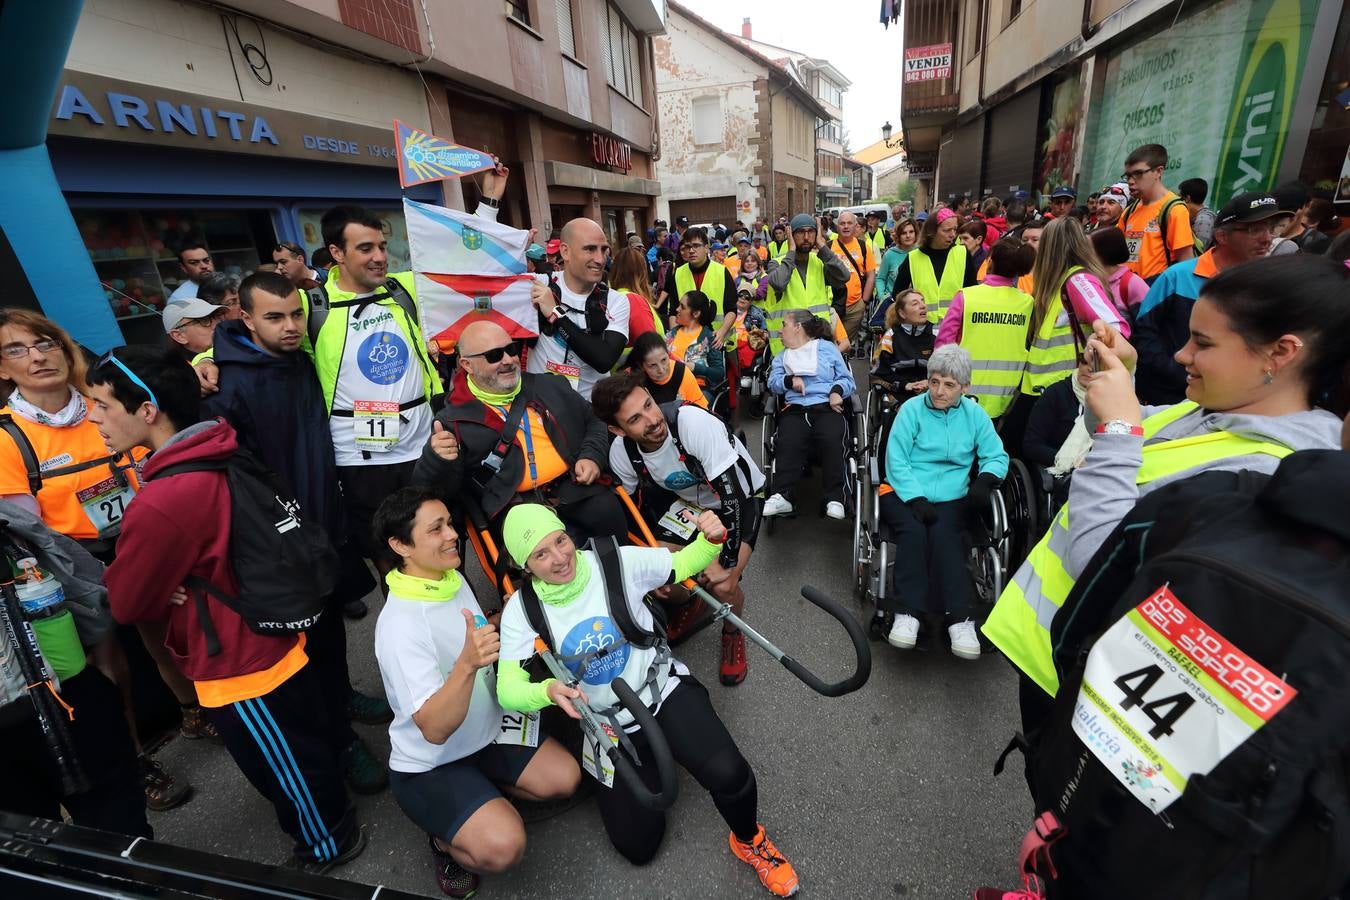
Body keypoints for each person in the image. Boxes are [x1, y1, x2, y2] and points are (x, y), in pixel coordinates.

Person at [984, 253, 1350, 722]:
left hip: (1093, 687)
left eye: (1202, 342)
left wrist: (1119, 426)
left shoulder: (1268, 471)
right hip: (1054, 653)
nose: (1181, 355)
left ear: (1280, 352)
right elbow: (1120, 435)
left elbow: (1102, 561)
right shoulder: (1202, 411)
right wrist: (1121, 379)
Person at [91, 345, 365, 873]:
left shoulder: (165, 497)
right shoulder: (217, 445)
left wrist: (167, 580)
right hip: (275, 628)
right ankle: (328, 808)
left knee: (282, 765)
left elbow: (125, 600)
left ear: (146, 409)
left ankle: (328, 843)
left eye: (103, 405)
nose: (96, 419)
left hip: (239, 660)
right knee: (301, 745)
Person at [494, 504, 800, 896]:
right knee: (638, 846)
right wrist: (546, 691)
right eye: (541, 554)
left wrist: (710, 538)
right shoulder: (522, 610)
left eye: (560, 540)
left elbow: (685, 562)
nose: (559, 558)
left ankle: (749, 841)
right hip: (606, 722)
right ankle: (642, 762)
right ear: (525, 566)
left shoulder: (614, 560)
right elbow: (508, 689)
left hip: (659, 691)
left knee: (730, 774)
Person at [0, 309, 201, 812]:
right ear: (2, 368)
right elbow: (27, 535)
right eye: (17, 349)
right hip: (71, 568)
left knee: (168, 638)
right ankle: (132, 759)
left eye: (45, 342)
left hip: (140, 538)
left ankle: (195, 712)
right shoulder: (7, 436)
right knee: (107, 668)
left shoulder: (100, 402)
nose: (38, 356)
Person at [200, 272, 390, 794]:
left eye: (294, 314)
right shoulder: (230, 385)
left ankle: (343, 698)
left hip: (325, 523)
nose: (289, 327)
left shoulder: (300, 358)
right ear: (245, 318)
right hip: (282, 540)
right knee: (299, 651)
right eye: (274, 317)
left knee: (329, 633)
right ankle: (337, 742)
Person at [372, 487, 581, 898]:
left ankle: (483, 794)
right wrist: (468, 663)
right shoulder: (399, 628)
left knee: (565, 778)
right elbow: (433, 729)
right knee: (505, 846)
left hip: (486, 727)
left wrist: (507, 618)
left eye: (450, 523)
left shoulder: (447, 578)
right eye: (437, 529)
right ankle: (444, 843)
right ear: (400, 545)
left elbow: (475, 634)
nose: (453, 535)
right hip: (433, 761)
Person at [593, 374, 767, 685]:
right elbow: (633, 513)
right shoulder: (622, 452)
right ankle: (690, 600)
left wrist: (725, 562)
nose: (652, 420)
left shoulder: (691, 423)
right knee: (663, 578)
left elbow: (735, 498)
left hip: (741, 499)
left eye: (649, 404)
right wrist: (649, 560)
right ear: (618, 430)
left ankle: (731, 629)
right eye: (635, 419)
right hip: (690, 508)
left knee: (723, 585)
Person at [0, 503, 151, 840]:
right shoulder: (11, 520)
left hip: (63, 695)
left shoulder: (11, 521)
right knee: (117, 834)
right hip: (63, 696)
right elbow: (83, 580)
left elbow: (80, 576)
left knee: (33, 853)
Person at [415, 321, 625, 543]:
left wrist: (591, 456)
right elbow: (436, 492)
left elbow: (594, 420)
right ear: (467, 364)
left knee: (608, 514)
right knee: (549, 547)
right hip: (514, 505)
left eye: (511, 350)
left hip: (574, 487)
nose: (507, 360)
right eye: (494, 355)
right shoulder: (451, 420)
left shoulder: (550, 385)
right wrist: (435, 460)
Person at [878, 345, 1008, 656]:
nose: (939, 391)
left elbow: (996, 455)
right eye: (935, 381)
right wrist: (916, 497)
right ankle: (907, 614)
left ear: (965, 387)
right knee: (914, 534)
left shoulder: (975, 415)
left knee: (948, 537)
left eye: (949, 385)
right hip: (904, 491)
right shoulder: (911, 410)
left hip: (953, 496)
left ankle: (959, 619)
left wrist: (985, 480)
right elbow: (896, 460)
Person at [1130, 190, 1282, 406]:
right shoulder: (1177, 276)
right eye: (1254, 229)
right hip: (1167, 401)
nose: (1267, 238)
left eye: (1271, 228)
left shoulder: (1269, 286)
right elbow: (1144, 332)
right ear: (1222, 236)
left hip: (1231, 403)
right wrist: (1175, 373)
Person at [1002, 217, 1127, 457]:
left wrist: (1093, 356)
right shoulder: (1060, 282)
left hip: (1062, 387)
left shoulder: (1077, 280)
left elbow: (1116, 329)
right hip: (1041, 388)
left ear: (1051, 247)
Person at [763, 309, 856, 519]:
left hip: (826, 406)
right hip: (795, 409)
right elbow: (773, 383)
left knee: (833, 439)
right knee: (788, 441)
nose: (780, 330)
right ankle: (782, 495)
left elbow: (847, 379)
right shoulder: (782, 357)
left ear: (798, 328)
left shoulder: (826, 349)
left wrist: (836, 392)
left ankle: (836, 498)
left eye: (784, 325)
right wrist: (789, 381)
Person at [527, 219, 632, 401]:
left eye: (603, 249)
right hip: (542, 407)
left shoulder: (616, 301)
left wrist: (555, 313)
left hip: (592, 410)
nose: (600, 259)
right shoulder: (539, 285)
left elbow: (603, 359)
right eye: (590, 249)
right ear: (565, 252)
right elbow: (482, 277)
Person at [936, 237, 1037, 420]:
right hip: (1007, 398)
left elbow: (943, 344)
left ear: (990, 261)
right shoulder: (1027, 302)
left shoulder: (966, 296)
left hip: (963, 395)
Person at [761, 214, 850, 354]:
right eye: (801, 232)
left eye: (811, 232)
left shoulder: (820, 261)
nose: (807, 237)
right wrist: (791, 251)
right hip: (787, 348)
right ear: (790, 235)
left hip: (818, 344)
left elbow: (844, 276)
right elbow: (779, 283)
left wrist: (822, 246)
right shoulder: (776, 263)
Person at [888, 209, 979, 327]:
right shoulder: (913, 258)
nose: (952, 234)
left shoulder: (962, 253)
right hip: (922, 331)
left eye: (955, 229)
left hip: (955, 329)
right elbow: (899, 295)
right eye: (946, 230)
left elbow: (971, 292)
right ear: (932, 231)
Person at [1119, 143, 1194, 281]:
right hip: (1127, 294)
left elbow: (1186, 265)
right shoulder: (1129, 211)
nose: (1130, 181)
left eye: (1138, 174)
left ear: (1159, 171)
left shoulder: (1175, 210)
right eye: (1128, 176)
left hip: (1156, 294)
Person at [657, 227, 736, 329]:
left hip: (718, 340)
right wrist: (675, 338)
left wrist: (721, 333)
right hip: (687, 340)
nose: (691, 251)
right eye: (688, 247)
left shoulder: (722, 272)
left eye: (696, 246)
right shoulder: (678, 273)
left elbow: (732, 309)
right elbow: (673, 312)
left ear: (706, 248)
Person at [871, 289, 934, 408]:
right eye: (915, 304)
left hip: (932, 391)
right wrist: (905, 385)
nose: (922, 306)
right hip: (900, 392)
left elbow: (947, 369)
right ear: (902, 313)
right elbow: (878, 374)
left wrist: (931, 382)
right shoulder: (890, 336)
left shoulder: (937, 333)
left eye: (923, 302)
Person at [666, 290, 726, 402]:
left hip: (698, 390)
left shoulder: (708, 338)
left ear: (696, 314)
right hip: (670, 387)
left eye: (682, 307)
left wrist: (696, 368)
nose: (677, 309)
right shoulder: (671, 334)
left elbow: (719, 373)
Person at [830, 212, 879, 344]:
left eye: (849, 223)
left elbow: (871, 275)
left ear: (856, 226)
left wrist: (864, 302)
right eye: (842, 223)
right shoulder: (828, 247)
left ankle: (844, 363)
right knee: (831, 343)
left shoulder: (863, 247)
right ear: (837, 226)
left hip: (855, 306)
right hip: (832, 306)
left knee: (845, 344)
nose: (846, 226)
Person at [607, 246, 662, 359]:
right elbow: (652, 348)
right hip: (642, 372)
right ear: (641, 272)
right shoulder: (632, 300)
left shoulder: (613, 298)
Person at [631, 331, 708, 409]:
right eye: (652, 365)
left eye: (664, 360)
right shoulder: (636, 383)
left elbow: (702, 410)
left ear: (668, 354)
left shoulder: (682, 372)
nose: (661, 370)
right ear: (641, 366)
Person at [1089, 227, 1148, 323]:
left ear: (1104, 252)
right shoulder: (1089, 281)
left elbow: (1148, 324)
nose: (1083, 254)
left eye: (1088, 249)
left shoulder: (1133, 283)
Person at [163, 296, 225, 361]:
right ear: (179, 336)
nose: (216, 324)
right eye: (204, 321)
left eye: (216, 317)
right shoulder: (183, 369)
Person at [875, 218, 917, 304]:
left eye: (911, 232)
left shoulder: (921, 252)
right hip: (894, 304)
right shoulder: (889, 254)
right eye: (904, 233)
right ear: (898, 235)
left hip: (917, 304)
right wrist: (883, 297)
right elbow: (880, 279)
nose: (908, 236)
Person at [1177, 177, 1216, 249]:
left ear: (1187, 199)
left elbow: (1198, 251)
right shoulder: (1196, 217)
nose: (1177, 202)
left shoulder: (1203, 220)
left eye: (1179, 198)